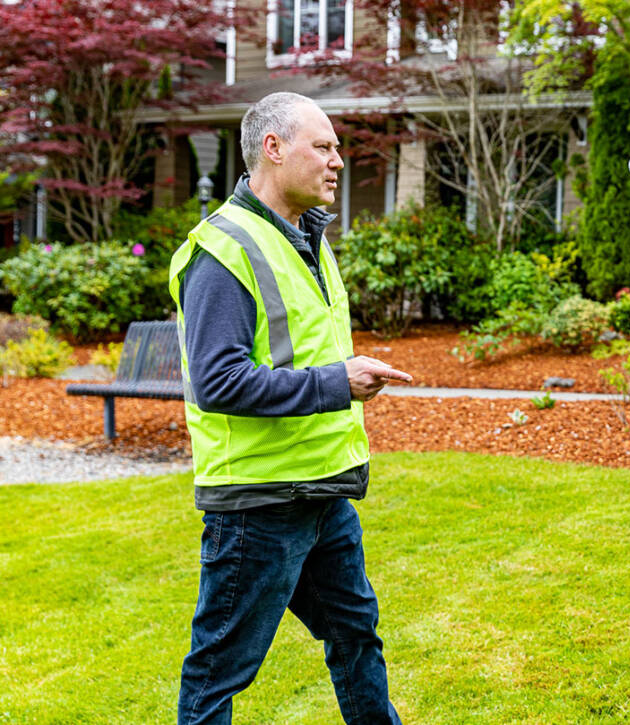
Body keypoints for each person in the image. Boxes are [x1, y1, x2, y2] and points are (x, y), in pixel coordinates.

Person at [169, 91, 410, 725]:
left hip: (323, 491)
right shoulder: (221, 251)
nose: (338, 161)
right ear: (272, 149)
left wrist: (343, 379)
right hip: (258, 503)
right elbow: (219, 382)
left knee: (357, 635)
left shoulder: (308, 237)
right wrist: (339, 383)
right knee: (219, 674)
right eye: (323, 147)